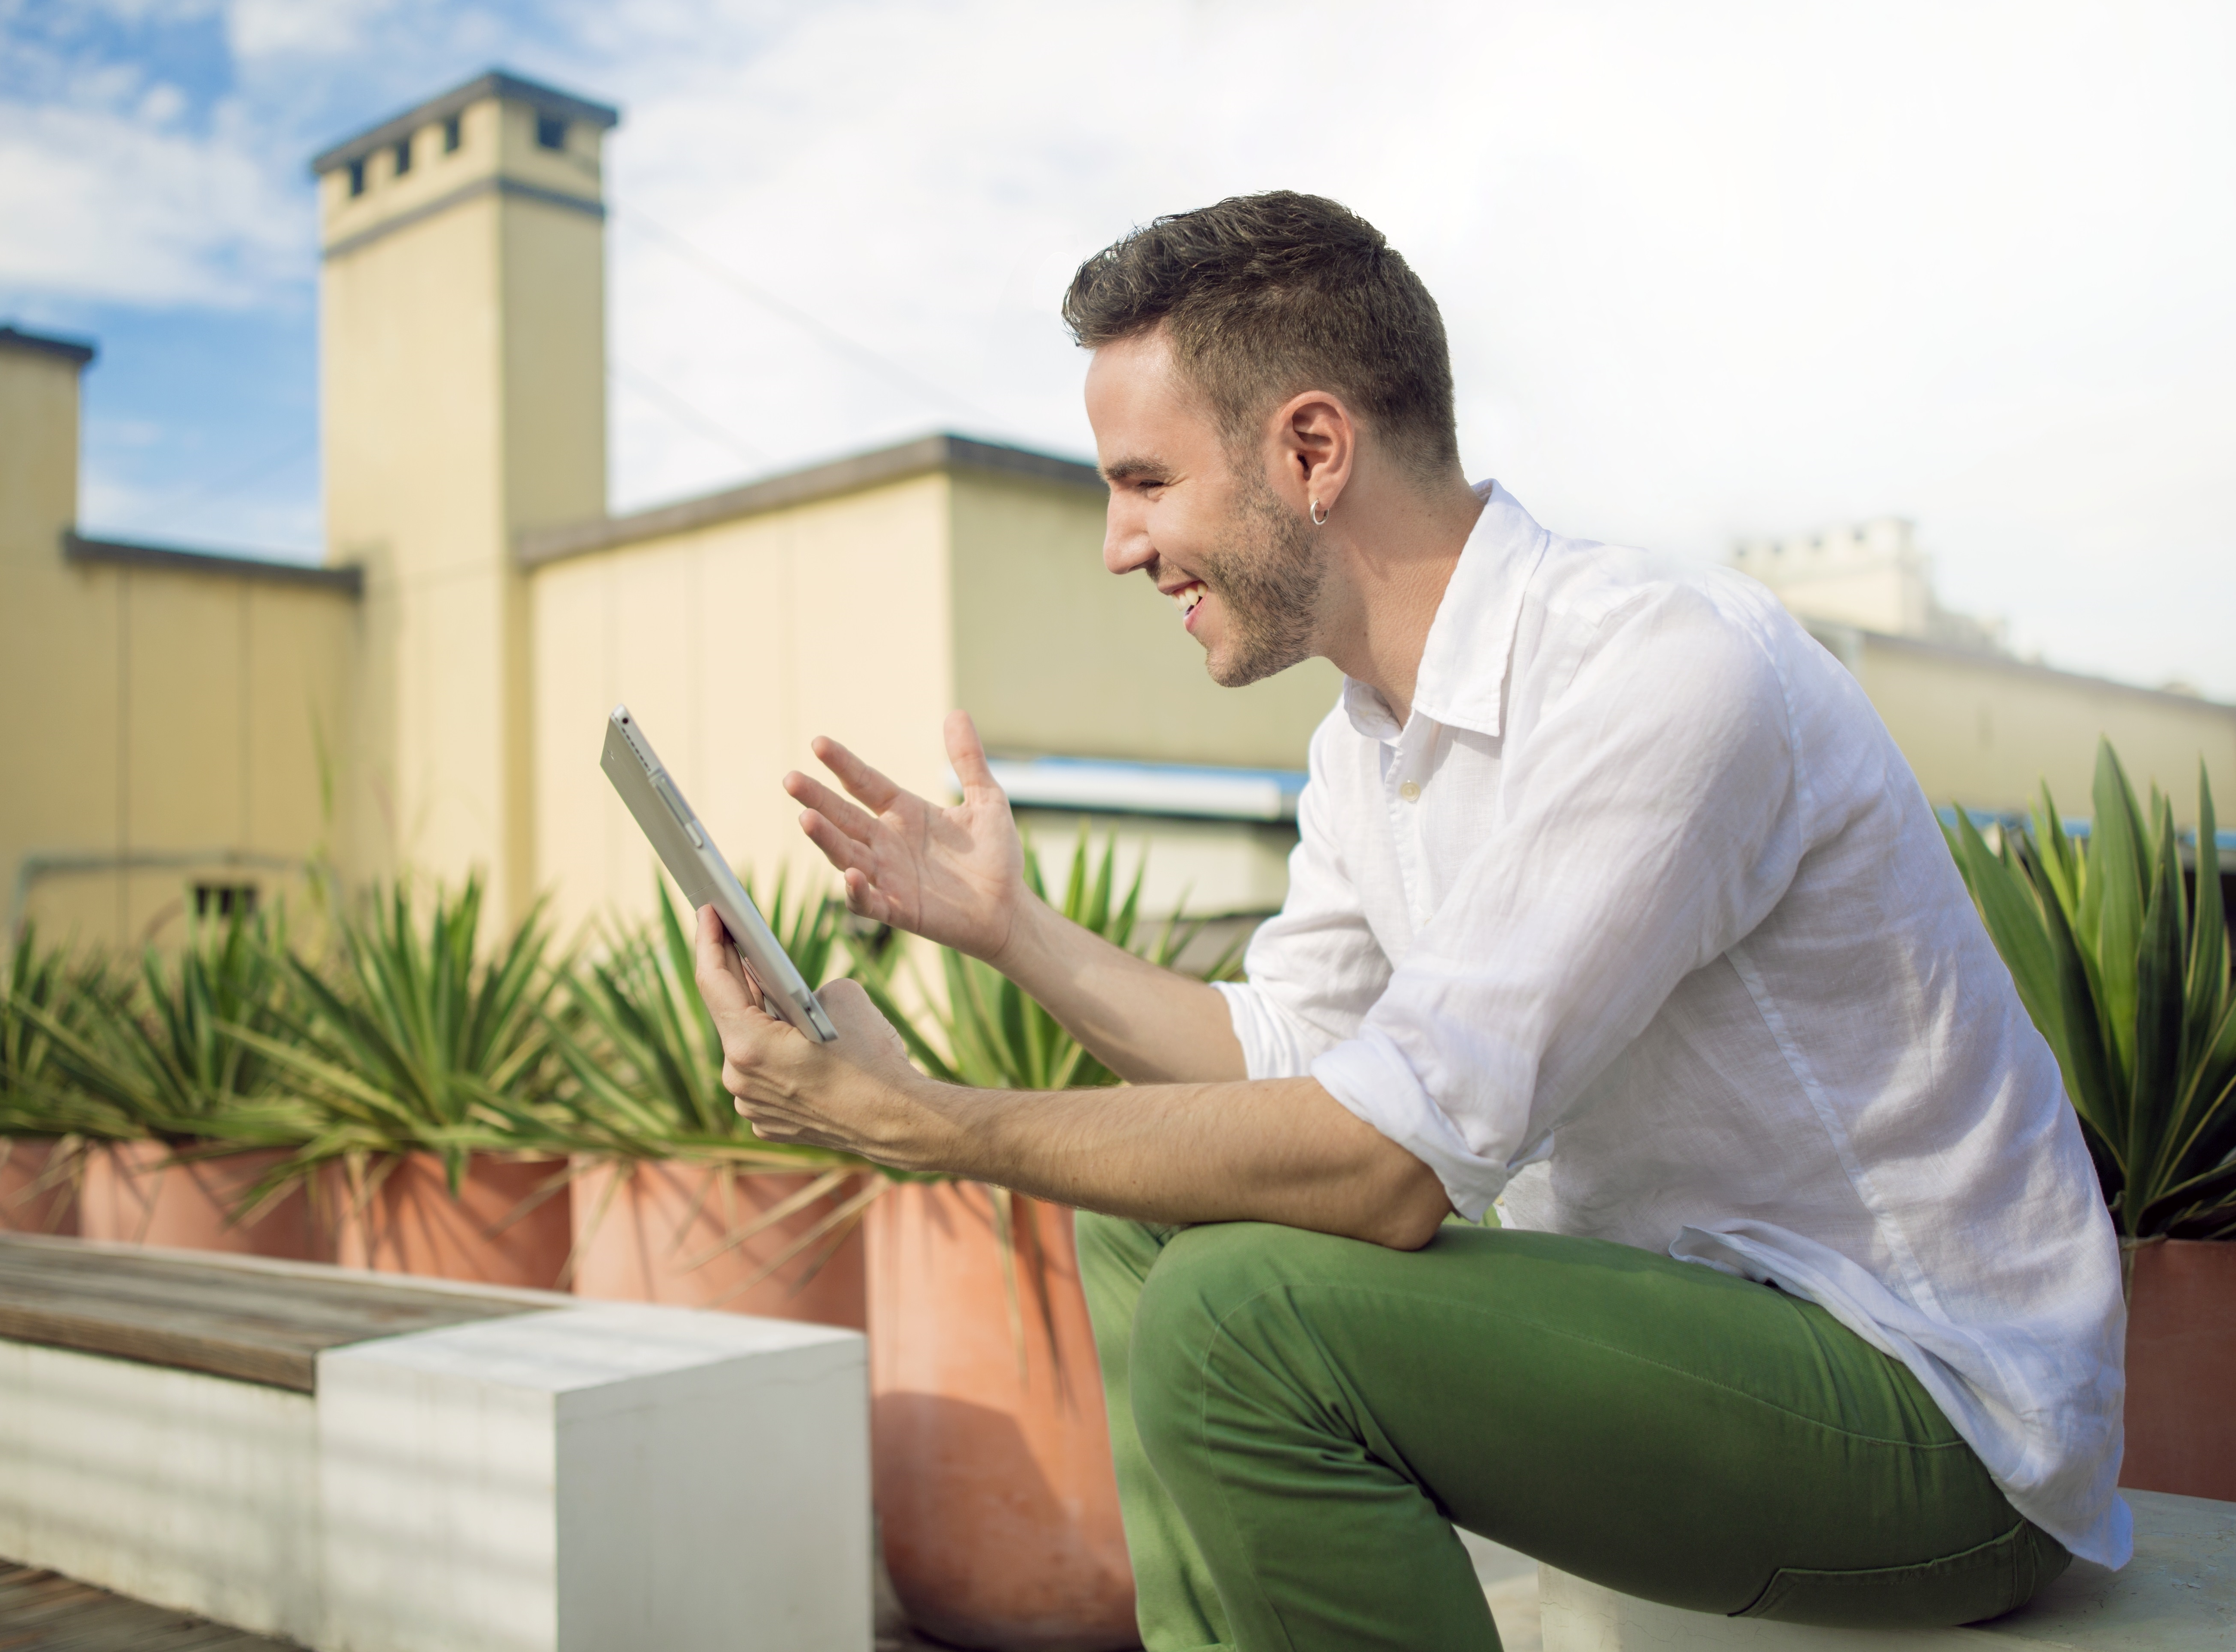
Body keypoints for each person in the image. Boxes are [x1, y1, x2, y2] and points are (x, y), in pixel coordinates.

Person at [687, 191, 2125, 1652]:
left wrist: (926, 1120)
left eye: (1144, 483)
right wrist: (1010, 931)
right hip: (1694, 1344)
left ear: (1312, 451)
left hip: (1936, 1418)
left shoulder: (1664, 671)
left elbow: (1386, 1168)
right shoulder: (1364, 742)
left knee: (1240, 1310)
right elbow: (1276, 1055)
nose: (1120, 547)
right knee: (1148, 1234)